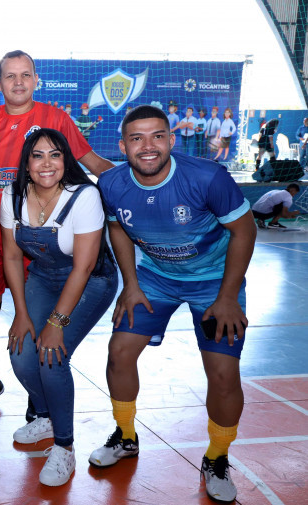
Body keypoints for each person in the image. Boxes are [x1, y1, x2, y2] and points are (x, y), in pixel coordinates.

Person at [91, 105, 256, 503]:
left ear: (171, 139)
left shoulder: (207, 177)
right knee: (119, 352)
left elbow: (244, 230)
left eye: (157, 136)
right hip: (155, 278)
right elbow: (117, 227)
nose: (148, 146)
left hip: (214, 282)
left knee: (222, 374)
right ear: (123, 145)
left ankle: (217, 457)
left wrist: (229, 296)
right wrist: (131, 284)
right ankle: (126, 436)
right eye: (137, 138)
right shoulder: (112, 183)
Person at [0, 50, 114, 415]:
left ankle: (38, 404)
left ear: (36, 80)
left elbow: (92, 163)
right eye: (10, 76)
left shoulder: (55, 118)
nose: (18, 82)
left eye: (25, 74)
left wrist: (140, 179)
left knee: (43, 321)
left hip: (44, 245)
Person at [1, 128, 118, 486]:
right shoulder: (13, 194)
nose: (46, 163)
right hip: (42, 276)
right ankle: (48, 416)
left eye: (55, 154)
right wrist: (21, 314)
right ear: (27, 162)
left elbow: (82, 267)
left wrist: (56, 322)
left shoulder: (84, 196)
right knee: (22, 353)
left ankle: (64, 447)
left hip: (90, 280)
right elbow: (10, 255)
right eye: (37, 155)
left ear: (66, 160)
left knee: (51, 355)